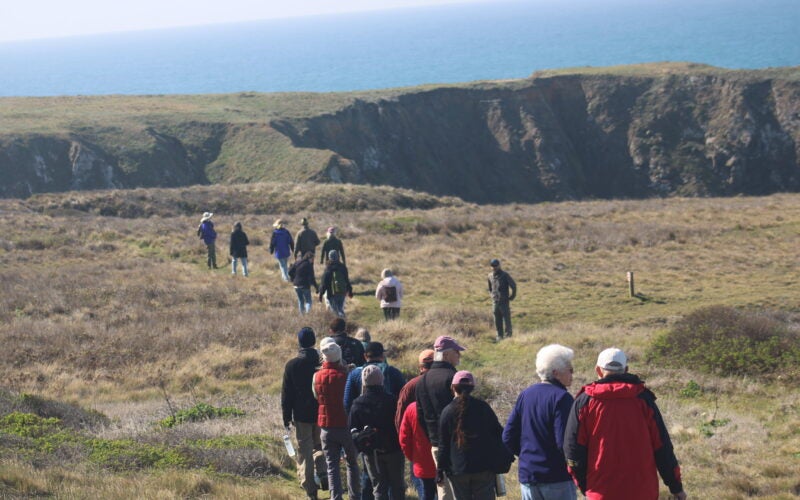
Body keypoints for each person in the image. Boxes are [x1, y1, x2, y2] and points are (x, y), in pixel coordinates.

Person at [564, 348, 687, 500]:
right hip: (642, 492)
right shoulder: (643, 399)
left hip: (600, 492)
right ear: (626, 370)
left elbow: (573, 450)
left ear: (598, 370)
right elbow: (662, 447)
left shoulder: (584, 402)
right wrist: (676, 487)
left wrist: (586, 486)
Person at [503, 344, 576, 500]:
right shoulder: (562, 398)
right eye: (570, 369)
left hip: (528, 475)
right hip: (556, 477)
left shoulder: (526, 394)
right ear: (556, 373)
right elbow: (564, 443)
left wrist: (528, 455)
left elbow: (508, 436)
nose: (572, 373)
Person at [344, 342, 407, 500]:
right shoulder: (393, 395)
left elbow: (347, 405)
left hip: (370, 447)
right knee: (397, 485)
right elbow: (404, 406)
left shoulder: (356, 391)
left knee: (376, 485)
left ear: (365, 355)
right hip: (394, 446)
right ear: (382, 355)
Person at [437, 370, 506, 500]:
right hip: (483, 467)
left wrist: (440, 470)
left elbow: (443, 444)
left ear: (453, 387)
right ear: (472, 387)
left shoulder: (447, 411)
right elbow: (499, 433)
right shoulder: (483, 407)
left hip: (458, 468)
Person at [416, 335, 466, 500]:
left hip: (436, 442)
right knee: (461, 488)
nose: (459, 355)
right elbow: (462, 411)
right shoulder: (453, 377)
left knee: (443, 487)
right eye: (456, 352)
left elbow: (421, 415)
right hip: (457, 442)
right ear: (445, 355)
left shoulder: (422, 380)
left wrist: (433, 436)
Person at [282, 327, 328, 500]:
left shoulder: (292, 365)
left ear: (299, 342)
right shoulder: (322, 363)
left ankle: (310, 491)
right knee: (320, 446)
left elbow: (287, 394)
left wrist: (286, 417)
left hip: (301, 415)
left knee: (305, 451)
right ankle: (323, 472)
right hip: (321, 411)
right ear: (314, 342)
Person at [313, 338, 362, 500]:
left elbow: (316, 396)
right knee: (352, 463)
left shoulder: (316, 376)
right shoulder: (347, 376)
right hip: (346, 425)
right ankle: (354, 496)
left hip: (326, 426)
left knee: (331, 465)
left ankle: (336, 497)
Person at [395, 348, 435, 500]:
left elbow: (400, 419)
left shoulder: (411, 385)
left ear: (420, 366)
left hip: (418, 449)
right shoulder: (445, 380)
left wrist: (409, 451)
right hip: (444, 448)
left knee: (424, 489)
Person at [399, 401, 436, 500]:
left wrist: (414, 458)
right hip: (445, 463)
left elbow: (403, 439)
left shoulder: (412, 408)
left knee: (426, 494)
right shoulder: (444, 403)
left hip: (422, 463)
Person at [487, 259, 516, 341]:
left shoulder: (505, 275)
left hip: (504, 301)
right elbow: (490, 288)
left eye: (496, 266)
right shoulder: (489, 276)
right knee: (497, 320)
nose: (494, 268)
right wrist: (492, 295)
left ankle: (508, 337)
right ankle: (499, 336)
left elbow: (513, 286)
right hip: (495, 302)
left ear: (499, 265)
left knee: (506, 320)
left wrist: (512, 296)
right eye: (493, 266)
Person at [319, 250, 352, 318]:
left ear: (329, 257)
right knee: (340, 309)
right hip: (342, 292)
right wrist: (350, 291)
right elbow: (347, 280)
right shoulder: (343, 267)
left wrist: (321, 294)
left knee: (334, 311)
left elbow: (324, 282)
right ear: (338, 257)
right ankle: (343, 321)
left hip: (332, 293)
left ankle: (340, 322)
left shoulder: (328, 268)